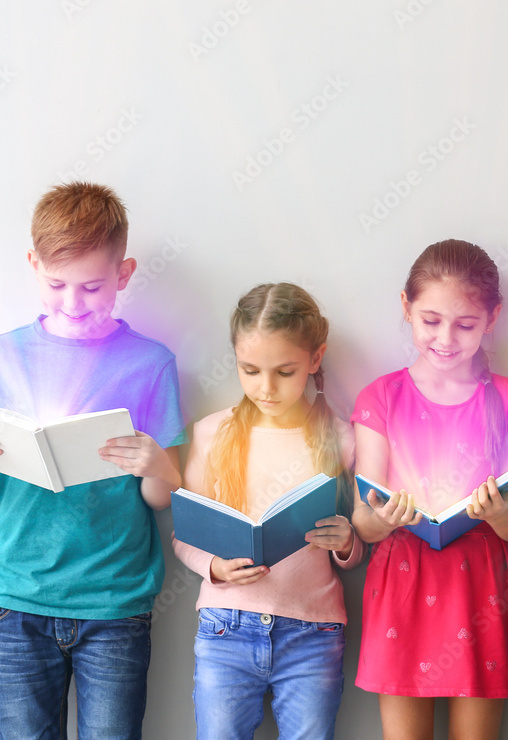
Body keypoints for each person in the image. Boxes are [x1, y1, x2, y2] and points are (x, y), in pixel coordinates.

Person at [0, 182, 185, 740]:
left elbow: (162, 498)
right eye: (56, 284)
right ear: (33, 265)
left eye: (93, 286)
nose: (73, 303)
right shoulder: (2, 355)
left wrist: (155, 465)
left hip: (115, 600)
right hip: (20, 593)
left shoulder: (151, 363)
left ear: (124, 275)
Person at [351, 240, 508, 740]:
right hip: (403, 582)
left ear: (492, 318)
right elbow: (363, 524)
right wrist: (386, 516)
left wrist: (499, 516)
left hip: (481, 588)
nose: (446, 338)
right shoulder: (381, 397)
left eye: (466, 325)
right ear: (406, 306)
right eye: (430, 320)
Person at [173, 282, 363, 740]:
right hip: (225, 627)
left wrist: (347, 544)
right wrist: (215, 567)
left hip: (313, 633)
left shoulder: (340, 437)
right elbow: (184, 535)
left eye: (284, 371)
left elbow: (356, 550)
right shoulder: (212, 433)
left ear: (315, 360)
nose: (266, 387)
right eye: (250, 370)